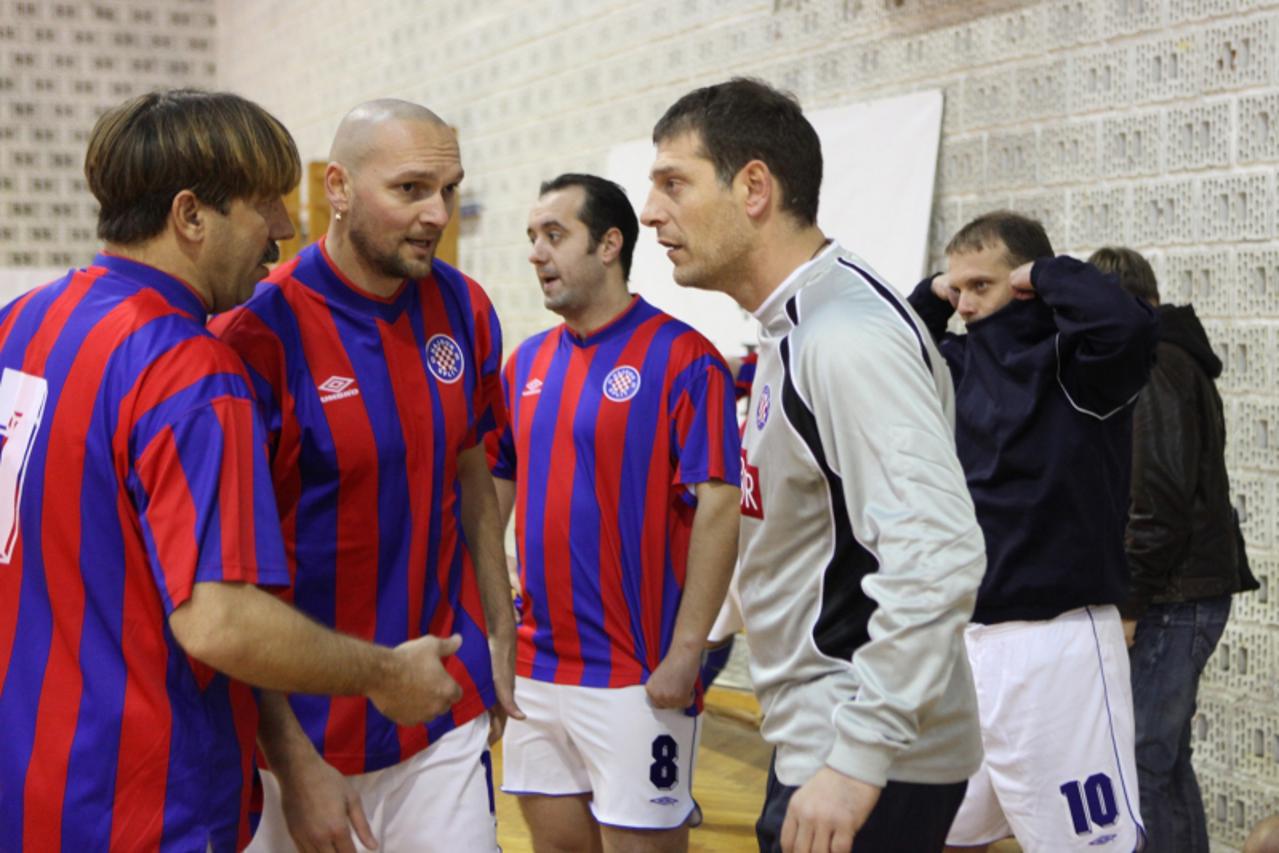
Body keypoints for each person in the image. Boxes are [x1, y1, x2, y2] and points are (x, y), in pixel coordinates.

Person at [0, 89, 465, 853]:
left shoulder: (22, 324)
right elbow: (219, 620)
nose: (284, 229)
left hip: (26, 786)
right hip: (140, 803)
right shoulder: (189, 370)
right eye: (264, 205)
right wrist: (384, 671)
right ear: (190, 216)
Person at [641, 77, 987, 853]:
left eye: (673, 183)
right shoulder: (797, 324)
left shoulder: (843, 337)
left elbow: (937, 556)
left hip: (863, 758)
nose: (650, 211)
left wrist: (856, 760)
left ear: (754, 187)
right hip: (832, 740)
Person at [211, 99, 518, 853]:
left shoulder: (464, 305)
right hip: (297, 741)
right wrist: (289, 755)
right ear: (339, 189)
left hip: (440, 710)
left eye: (447, 190)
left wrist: (501, 625)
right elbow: (231, 580)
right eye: (410, 189)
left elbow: (471, 465)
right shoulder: (255, 333)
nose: (435, 213)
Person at [487, 172, 741, 852]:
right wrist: (492, 631)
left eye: (554, 235)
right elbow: (491, 506)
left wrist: (687, 652)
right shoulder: (525, 363)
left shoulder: (685, 359)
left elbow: (720, 511)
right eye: (531, 238)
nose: (536, 254)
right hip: (537, 672)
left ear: (608, 244)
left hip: (637, 674)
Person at [906, 213, 1158, 852]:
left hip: (1058, 645)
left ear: (1023, 286)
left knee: (1087, 845)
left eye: (979, 287)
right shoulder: (956, 362)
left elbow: (1127, 325)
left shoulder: (1076, 364)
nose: (964, 304)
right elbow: (894, 346)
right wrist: (934, 291)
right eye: (955, 289)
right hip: (966, 643)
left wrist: (1047, 274)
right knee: (946, 833)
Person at [1088, 246, 1259, 853]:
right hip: (1184, 591)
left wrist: (1130, 603)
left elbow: (1156, 500)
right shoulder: (1174, 355)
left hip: (1171, 596)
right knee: (1164, 759)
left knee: (1142, 763)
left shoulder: (1155, 362)